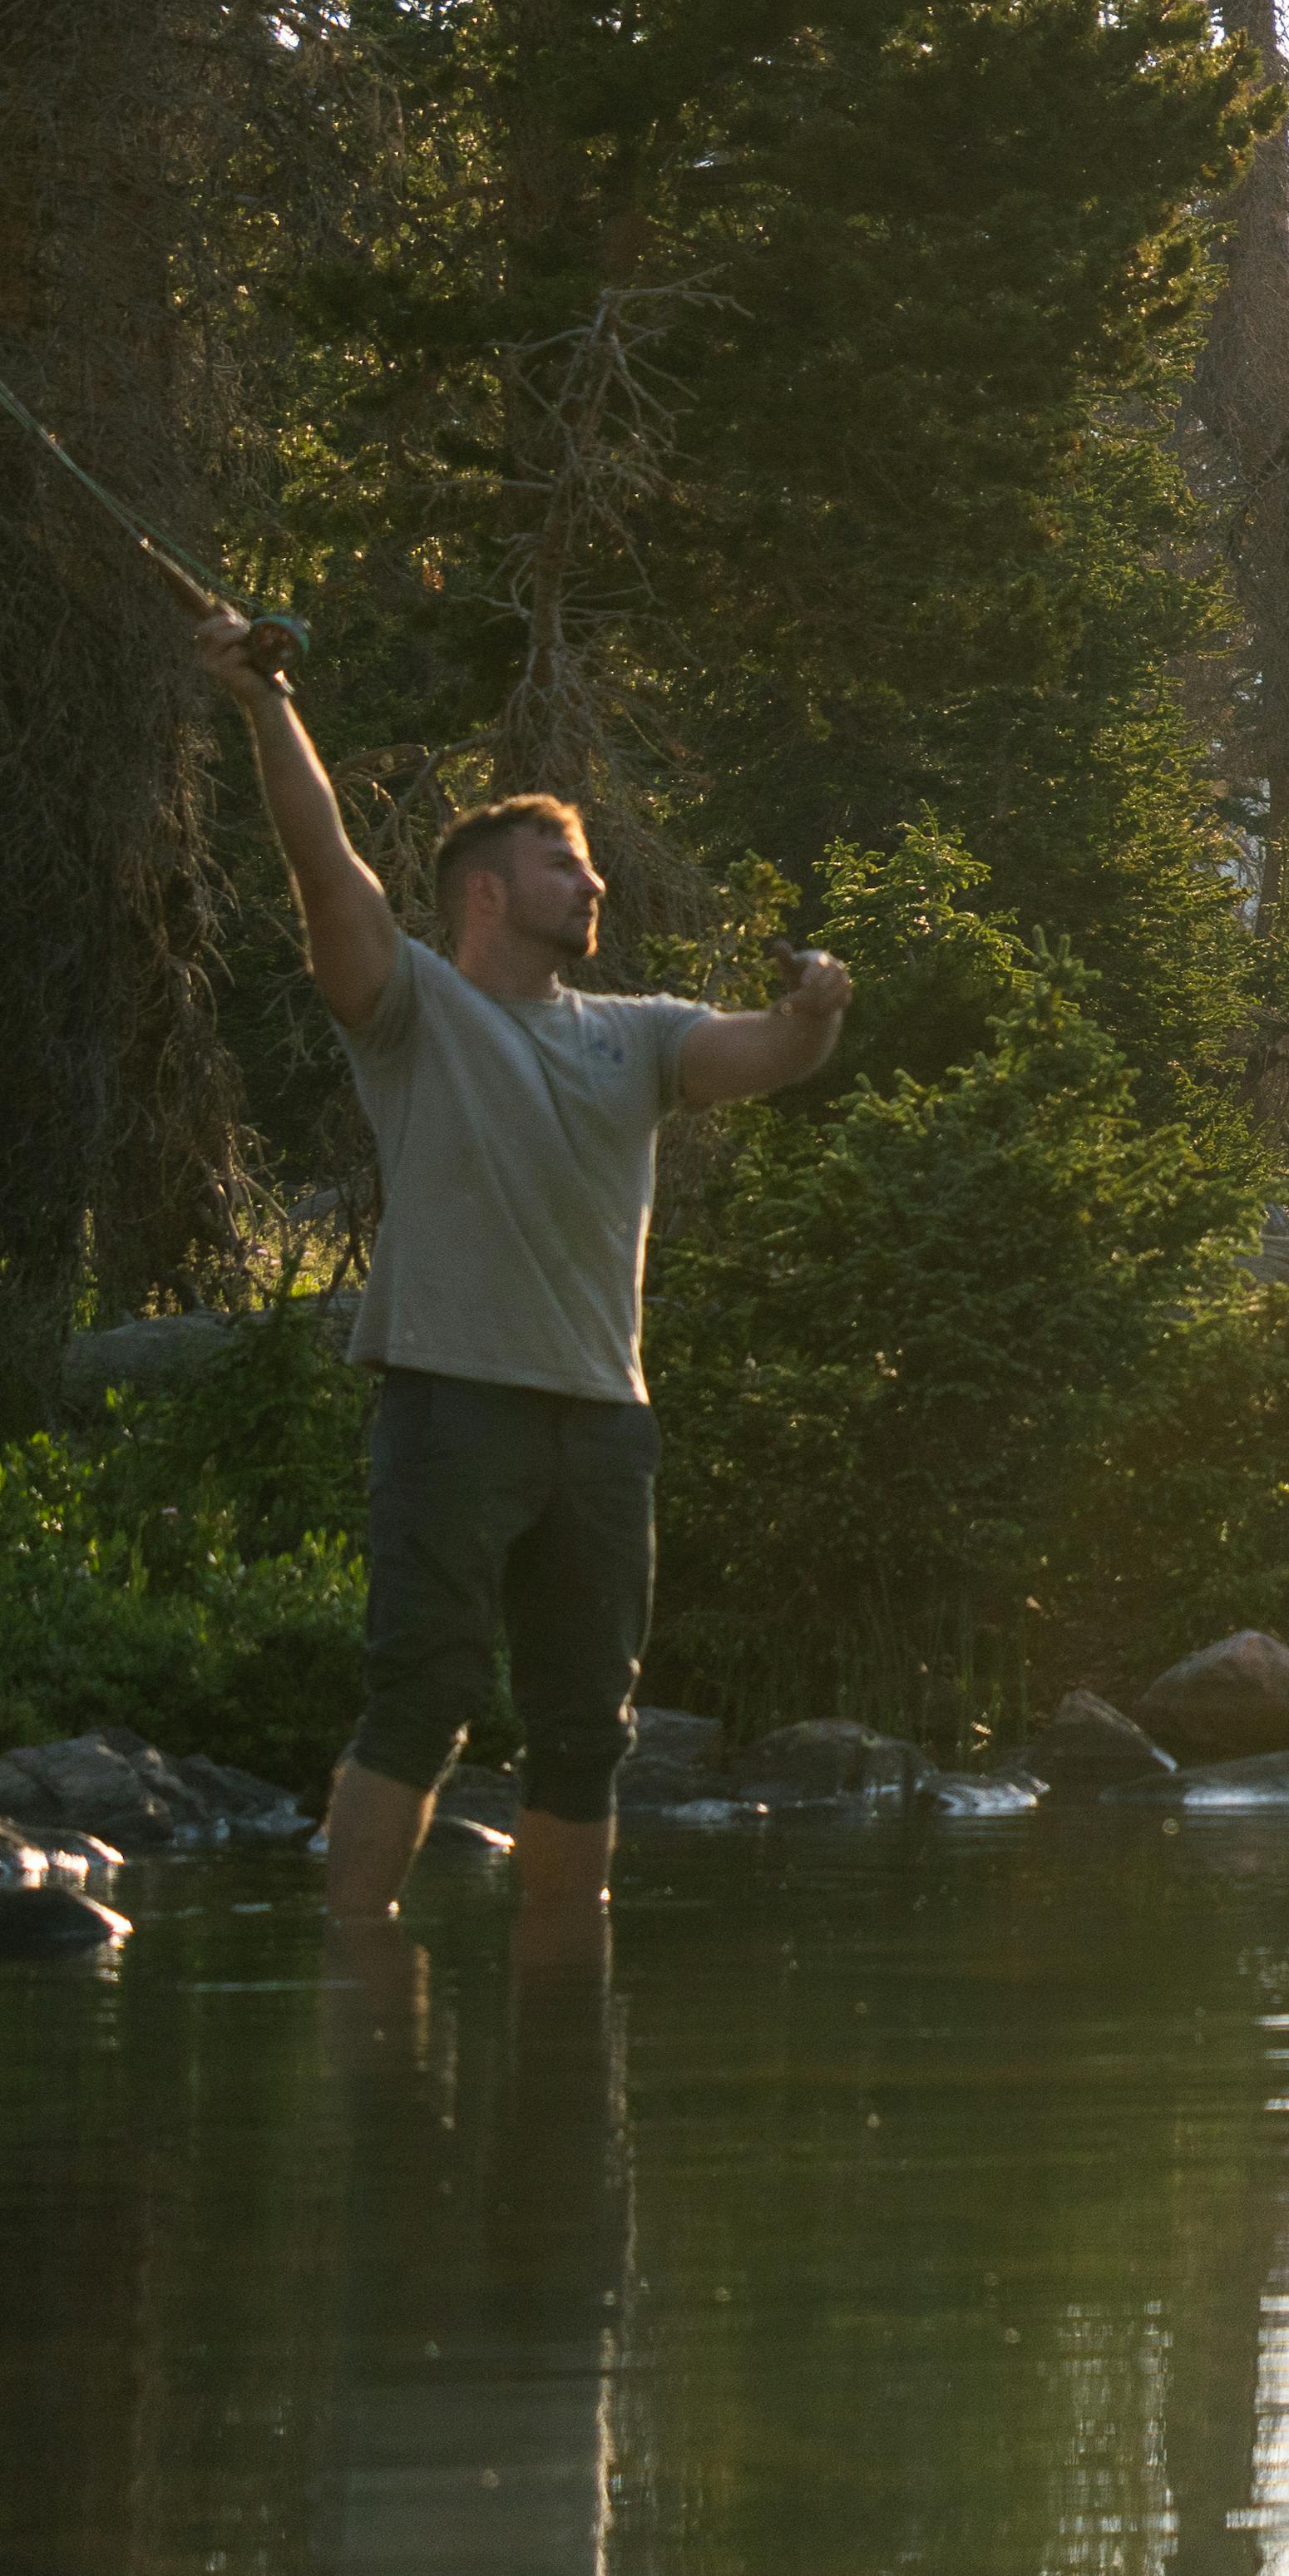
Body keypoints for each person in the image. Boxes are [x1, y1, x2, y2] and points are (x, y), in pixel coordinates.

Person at [207, 613, 848, 1958]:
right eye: (564, 861)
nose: (591, 880)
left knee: (585, 1725)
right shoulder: (415, 1011)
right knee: (420, 1698)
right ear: (486, 892)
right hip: (452, 1406)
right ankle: (359, 1972)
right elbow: (323, 867)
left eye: (591, 862)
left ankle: (564, 2007)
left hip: (604, 1424)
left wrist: (814, 1014)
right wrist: (265, 702)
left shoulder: (644, 1036)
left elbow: (763, 1057)